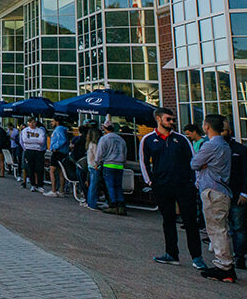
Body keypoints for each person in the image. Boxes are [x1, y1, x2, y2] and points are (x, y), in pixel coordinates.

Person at [140, 107, 205, 269]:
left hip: (184, 185)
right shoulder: (148, 139)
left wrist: (194, 183)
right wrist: (150, 182)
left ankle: (197, 257)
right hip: (162, 186)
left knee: (190, 221)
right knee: (168, 220)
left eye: (173, 119)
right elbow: (144, 162)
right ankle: (171, 253)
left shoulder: (182, 139)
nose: (172, 122)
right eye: (168, 119)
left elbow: (193, 161)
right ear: (158, 119)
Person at [191, 114, 236, 282]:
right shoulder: (224, 145)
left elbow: (194, 163)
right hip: (221, 190)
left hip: (213, 191)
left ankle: (224, 266)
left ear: (207, 126)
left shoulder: (210, 145)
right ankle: (225, 264)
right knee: (221, 228)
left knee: (216, 229)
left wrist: (202, 163)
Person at [223, 124, 247, 271]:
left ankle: (240, 256)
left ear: (230, 131)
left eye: (224, 129)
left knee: (238, 227)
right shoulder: (213, 148)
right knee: (222, 227)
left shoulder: (241, 150)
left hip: (237, 195)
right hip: (220, 193)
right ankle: (225, 255)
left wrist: (246, 192)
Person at [98, 121, 127, 215]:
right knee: (118, 186)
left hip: (108, 164)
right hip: (119, 165)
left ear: (105, 128)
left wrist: (97, 163)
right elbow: (125, 152)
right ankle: (121, 205)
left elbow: (100, 153)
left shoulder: (104, 139)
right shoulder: (121, 139)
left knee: (110, 186)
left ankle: (113, 205)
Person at [20, 117, 47, 193]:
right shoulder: (25, 131)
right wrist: (36, 141)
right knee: (30, 168)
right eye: (31, 122)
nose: (33, 124)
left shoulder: (40, 131)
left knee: (39, 168)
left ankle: (40, 185)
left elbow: (42, 141)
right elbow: (25, 140)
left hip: (38, 151)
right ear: (28, 123)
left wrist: (31, 141)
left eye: (34, 122)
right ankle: (33, 184)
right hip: (29, 150)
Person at [46, 116, 69, 197]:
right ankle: (61, 190)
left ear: (57, 122)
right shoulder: (63, 129)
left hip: (58, 152)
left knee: (52, 170)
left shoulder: (58, 129)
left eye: (53, 121)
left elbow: (62, 139)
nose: (51, 123)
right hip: (63, 152)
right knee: (61, 171)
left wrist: (55, 147)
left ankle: (53, 190)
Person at [82, 124, 101, 209]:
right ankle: (92, 203)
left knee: (91, 185)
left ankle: (90, 202)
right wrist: (98, 164)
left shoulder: (89, 144)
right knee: (94, 186)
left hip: (90, 165)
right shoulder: (94, 145)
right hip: (95, 166)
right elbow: (97, 156)